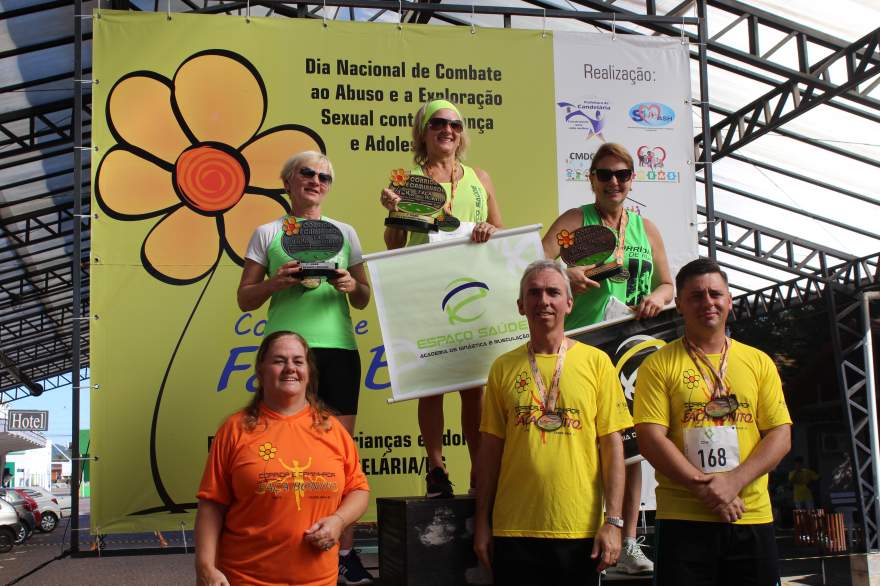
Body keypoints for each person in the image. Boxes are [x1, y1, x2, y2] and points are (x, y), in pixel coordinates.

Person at [237, 151, 373, 583]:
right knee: (283, 453)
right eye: (307, 173)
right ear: (288, 182)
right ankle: (284, 546)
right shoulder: (268, 232)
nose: (316, 181)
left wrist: (353, 284)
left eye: (324, 177)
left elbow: (364, 296)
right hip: (285, 351)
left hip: (338, 350)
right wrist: (277, 282)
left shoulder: (345, 232)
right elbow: (245, 297)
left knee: (340, 457)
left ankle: (344, 553)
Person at [542, 141, 673, 574]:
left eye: (621, 174)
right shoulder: (576, 222)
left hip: (629, 342)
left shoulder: (645, 228)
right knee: (579, 440)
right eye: (604, 174)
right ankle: (578, 533)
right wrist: (566, 272)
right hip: (583, 342)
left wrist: (656, 296)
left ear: (631, 179)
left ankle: (628, 539)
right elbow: (534, 265)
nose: (613, 181)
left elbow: (668, 284)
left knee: (629, 446)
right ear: (592, 179)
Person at [633, 258, 792, 586]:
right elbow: (650, 439)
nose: (708, 302)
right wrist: (706, 488)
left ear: (729, 301)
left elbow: (780, 434)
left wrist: (733, 482)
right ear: (678, 305)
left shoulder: (758, 362)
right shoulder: (657, 365)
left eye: (715, 294)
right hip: (683, 518)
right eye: (696, 296)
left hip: (750, 514)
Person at [473, 260, 631, 585]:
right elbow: (489, 452)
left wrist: (613, 522)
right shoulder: (503, 368)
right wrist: (481, 522)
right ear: (521, 305)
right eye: (534, 293)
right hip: (513, 529)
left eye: (553, 292)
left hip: (579, 530)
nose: (543, 300)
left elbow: (613, 449)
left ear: (569, 303)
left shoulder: (597, 363)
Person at [379, 100, 503, 498]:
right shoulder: (407, 181)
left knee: (473, 387)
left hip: (471, 290)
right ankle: (437, 470)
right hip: (426, 290)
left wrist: (488, 228)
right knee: (432, 384)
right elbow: (395, 245)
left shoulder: (479, 177)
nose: (446, 130)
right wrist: (395, 214)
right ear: (423, 132)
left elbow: (500, 229)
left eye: (454, 124)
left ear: (461, 133)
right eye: (437, 124)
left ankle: (477, 471)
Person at [195, 331, 370, 586]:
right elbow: (211, 505)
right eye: (279, 360)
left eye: (298, 361)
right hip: (246, 579)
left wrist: (338, 521)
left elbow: (359, 490)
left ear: (308, 372)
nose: (290, 368)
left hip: (318, 581)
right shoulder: (235, 430)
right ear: (261, 370)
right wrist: (205, 567)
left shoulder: (333, 431)